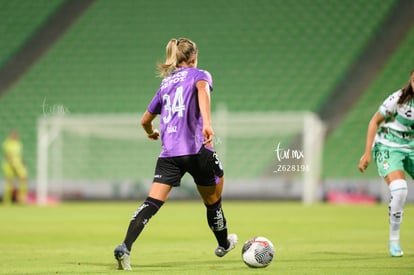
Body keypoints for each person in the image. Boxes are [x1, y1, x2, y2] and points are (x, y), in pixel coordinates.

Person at [113, 38, 237, 270]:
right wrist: (207, 123)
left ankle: (125, 247)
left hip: (169, 154)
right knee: (213, 200)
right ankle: (223, 243)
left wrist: (151, 132)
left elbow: (145, 120)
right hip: (196, 149)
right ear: (193, 57)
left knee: (152, 202)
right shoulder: (200, 75)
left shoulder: (165, 84)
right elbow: (202, 91)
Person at [359, 68, 414, 257]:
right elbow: (374, 121)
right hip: (389, 145)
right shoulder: (398, 99)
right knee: (400, 190)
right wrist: (367, 154)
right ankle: (394, 241)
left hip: (412, 147)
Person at [2, 131, 28, 204]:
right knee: (9, 182)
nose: (15, 136)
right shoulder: (7, 143)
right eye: (13, 135)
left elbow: (19, 154)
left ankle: (21, 199)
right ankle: (7, 200)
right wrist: (11, 164)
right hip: (9, 165)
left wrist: (22, 162)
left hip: (18, 164)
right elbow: (8, 155)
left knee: (23, 179)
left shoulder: (19, 143)